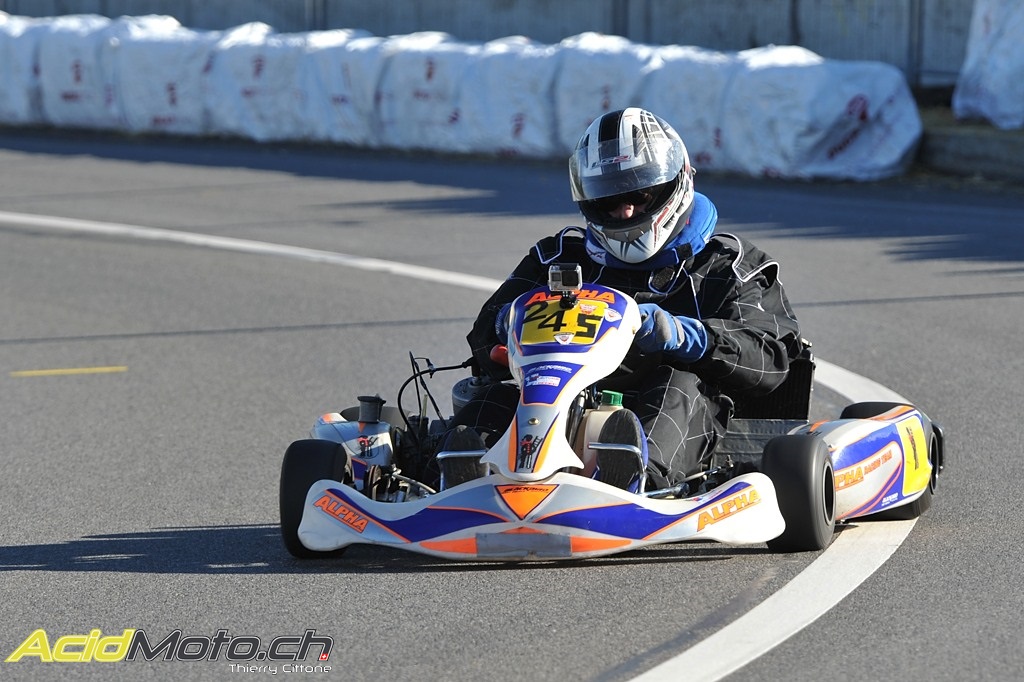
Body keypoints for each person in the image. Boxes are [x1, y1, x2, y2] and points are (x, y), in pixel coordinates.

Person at [444, 107, 802, 492]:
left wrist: (688, 337)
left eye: (639, 195)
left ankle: (633, 480)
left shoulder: (727, 266)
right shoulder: (557, 257)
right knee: (498, 395)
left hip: (672, 412)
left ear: (676, 182)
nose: (625, 210)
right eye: (608, 200)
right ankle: (452, 481)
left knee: (677, 384)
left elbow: (772, 361)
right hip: (554, 402)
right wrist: (507, 322)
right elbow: (483, 341)